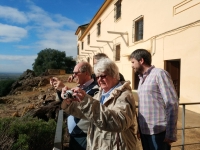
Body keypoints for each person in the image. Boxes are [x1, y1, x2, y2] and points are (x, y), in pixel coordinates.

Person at [61, 58, 137, 150]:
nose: (99, 80)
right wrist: (69, 102)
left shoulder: (125, 95)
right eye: (97, 77)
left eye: (103, 76)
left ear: (114, 75)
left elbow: (118, 122)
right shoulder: (100, 94)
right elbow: (85, 112)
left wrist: (86, 101)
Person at [129, 49, 179, 150]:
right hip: (145, 132)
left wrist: (170, 133)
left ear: (141, 61)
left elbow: (172, 103)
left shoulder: (159, 74)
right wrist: (139, 129)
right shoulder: (141, 79)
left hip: (159, 133)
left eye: (133, 62)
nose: (132, 65)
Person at [50, 62, 99, 150]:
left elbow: (81, 106)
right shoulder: (81, 87)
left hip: (85, 136)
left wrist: (63, 88)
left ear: (86, 73)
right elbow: (69, 105)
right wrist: (60, 90)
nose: (73, 76)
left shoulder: (95, 89)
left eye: (76, 73)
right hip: (75, 135)